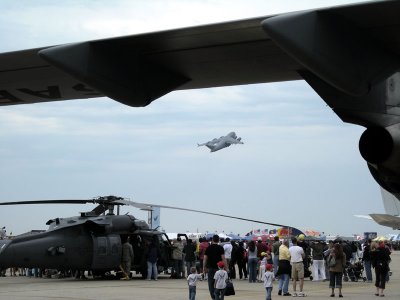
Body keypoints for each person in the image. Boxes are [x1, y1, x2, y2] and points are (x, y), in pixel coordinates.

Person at [203, 234, 227, 299]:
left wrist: (204, 267)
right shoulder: (220, 248)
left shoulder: (208, 248)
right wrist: (226, 268)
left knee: (211, 284)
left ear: (212, 240)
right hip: (219, 268)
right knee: (220, 283)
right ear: (218, 240)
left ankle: (213, 297)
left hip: (210, 268)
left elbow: (205, 259)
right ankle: (218, 296)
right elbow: (223, 259)